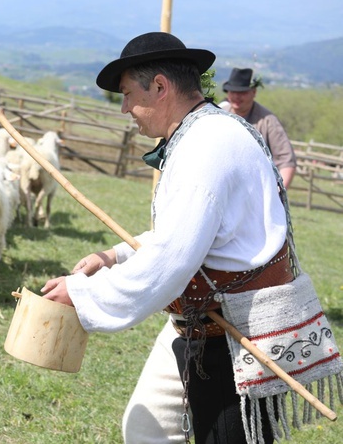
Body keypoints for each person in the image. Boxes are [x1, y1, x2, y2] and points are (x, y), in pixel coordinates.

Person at [40, 32, 298, 443]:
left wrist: (81, 293)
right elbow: (188, 231)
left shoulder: (208, 145)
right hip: (198, 317)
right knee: (147, 430)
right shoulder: (202, 133)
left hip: (238, 332)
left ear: (160, 87)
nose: (124, 108)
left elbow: (172, 259)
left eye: (127, 94)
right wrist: (115, 256)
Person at [221, 67, 297, 188]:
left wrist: (278, 195)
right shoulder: (220, 114)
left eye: (242, 92)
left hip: (257, 190)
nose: (236, 96)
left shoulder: (268, 121)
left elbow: (286, 161)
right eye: (232, 92)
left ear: (254, 92)